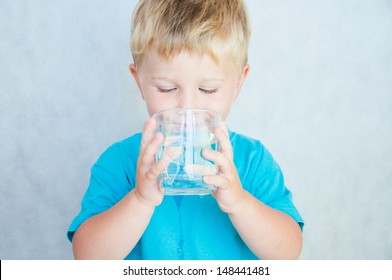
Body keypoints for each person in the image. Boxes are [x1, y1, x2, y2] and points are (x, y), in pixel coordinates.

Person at [67, 0, 304, 260]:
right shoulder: (119, 162)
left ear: (238, 83)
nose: (187, 108)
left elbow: (288, 253)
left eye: (208, 90)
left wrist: (239, 202)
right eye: (167, 89)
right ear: (140, 82)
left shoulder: (252, 160)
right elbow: (87, 258)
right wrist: (140, 200)